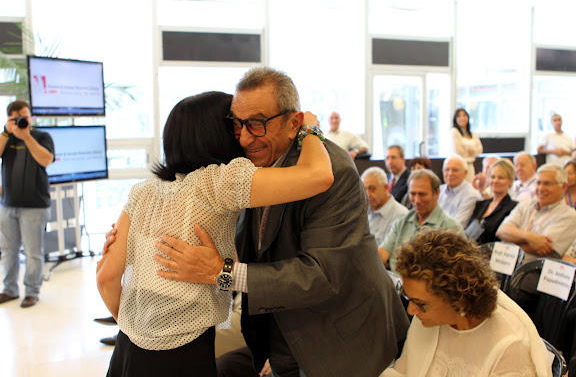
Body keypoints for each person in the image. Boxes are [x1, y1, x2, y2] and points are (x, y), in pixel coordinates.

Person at [104, 67, 410, 377]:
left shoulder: (332, 169)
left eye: (257, 124)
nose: (245, 137)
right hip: (280, 332)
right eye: (237, 125)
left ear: (294, 123)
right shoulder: (239, 171)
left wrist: (222, 273)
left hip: (339, 337)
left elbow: (321, 276)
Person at [96, 91, 335, 377]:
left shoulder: (143, 192)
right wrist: (309, 129)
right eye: (236, 126)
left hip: (127, 351)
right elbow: (318, 175)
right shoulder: (218, 181)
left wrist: (139, 331)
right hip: (183, 354)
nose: (243, 135)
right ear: (219, 134)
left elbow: (106, 278)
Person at [380, 229, 552, 377]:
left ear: (457, 300)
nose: (411, 311)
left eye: (420, 303)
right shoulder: (428, 320)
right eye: (408, 298)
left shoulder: (510, 347)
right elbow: (404, 371)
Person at [0, 100, 54, 308]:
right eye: (17, 117)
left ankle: (31, 292)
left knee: (33, 252)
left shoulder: (41, 136)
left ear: (31, 115)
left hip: (35, 206)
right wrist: (7, 132)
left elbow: (46, 159)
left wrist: (26, 136)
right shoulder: (7, 137)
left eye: (25, 115)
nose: (22, 120)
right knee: (8, 250)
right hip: (8, 205)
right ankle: (9, 289)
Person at [378, 169, 463, 273]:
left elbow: (454, 272)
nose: (417, 200)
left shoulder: (451, 228)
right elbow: (381, 255)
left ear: (436, 193)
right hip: (396, 284)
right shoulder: (401, 221)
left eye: (422, 194)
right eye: (413, 194)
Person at [497, 163, 576, 263]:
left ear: (564, 187)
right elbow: (501, 231)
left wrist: (511, 239)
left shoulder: (569, 215)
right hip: (504, 263)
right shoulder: (525, 205)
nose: (541, 189)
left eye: (547, 184)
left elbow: (546, 250)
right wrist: (530, 238)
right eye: (538, 183)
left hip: (533, 272)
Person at [465, 158, 518, 245]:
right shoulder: (480, 205)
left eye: (501, 177)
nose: (495, 181)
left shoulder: (513, 208)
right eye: (493, 177)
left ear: (510, 181)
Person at [361, 166, 408, 245]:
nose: (367, 194)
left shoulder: (401, 215)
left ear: (386, 188)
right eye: (364, 189)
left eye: (372, 189)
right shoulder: (364, 211)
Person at [438, 154, 482, 227]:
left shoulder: (471, 195)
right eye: (447, 169)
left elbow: (457, 226)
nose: (450, 173)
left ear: (465, 173)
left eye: (455, 170)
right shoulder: (438, 190)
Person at [451, 108, 483, 183]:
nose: (462, 118)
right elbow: (458, 151)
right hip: (459, 166)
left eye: (464, 115)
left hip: (470, 166)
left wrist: (467, 149)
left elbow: (479, 149)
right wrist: (471, 150)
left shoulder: (473, 133)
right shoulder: (454, 132)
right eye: (459, 116)